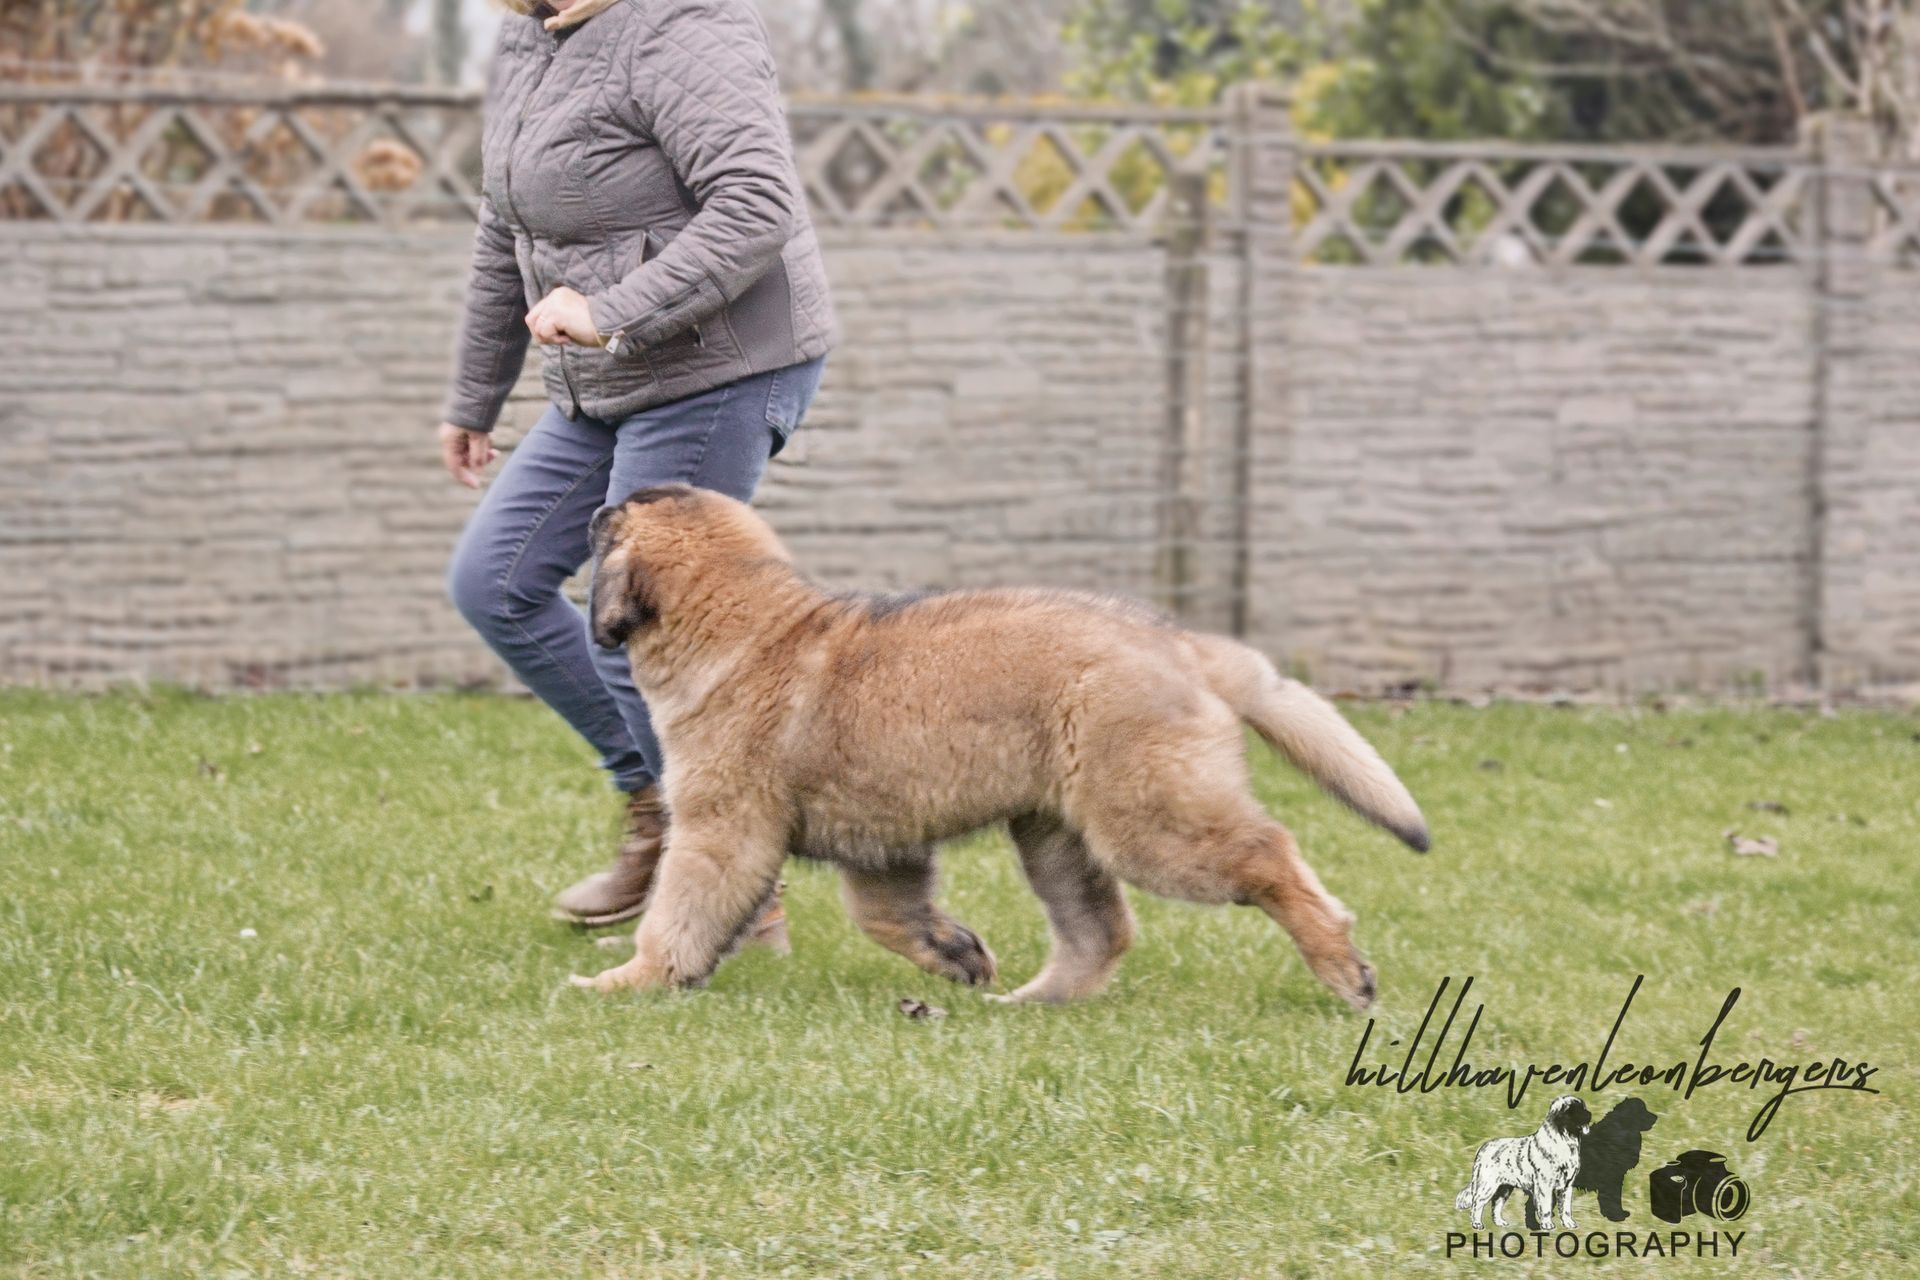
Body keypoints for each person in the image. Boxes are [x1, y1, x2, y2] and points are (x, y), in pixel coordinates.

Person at [439, 0, 836, 940]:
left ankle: (731, 881)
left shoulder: (685, 26)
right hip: (608, 370)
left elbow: (757, 205)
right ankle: (666, 813)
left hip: (721, 365)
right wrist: (475, 393)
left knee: (632, 619)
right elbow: (507, 223)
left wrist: (613, 308)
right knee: (494, 581)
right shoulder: (533, 33)